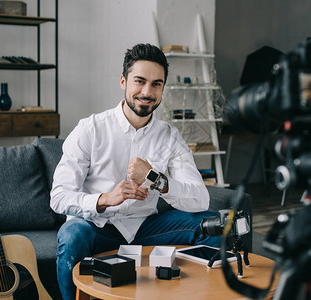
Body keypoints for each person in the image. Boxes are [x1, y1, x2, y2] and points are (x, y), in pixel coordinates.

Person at [50, 43, 221, 300]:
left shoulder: (170, 137)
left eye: (156, 84)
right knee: (72, 234)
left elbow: (200, 198)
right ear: (123, 81)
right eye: (139, 81)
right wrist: (105, 199)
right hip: (99, 226)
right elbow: (59, 197)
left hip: (146, 228)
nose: (146, 91)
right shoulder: (91, 129)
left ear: (163, 88)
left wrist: (156, 178)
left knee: (213, 224)